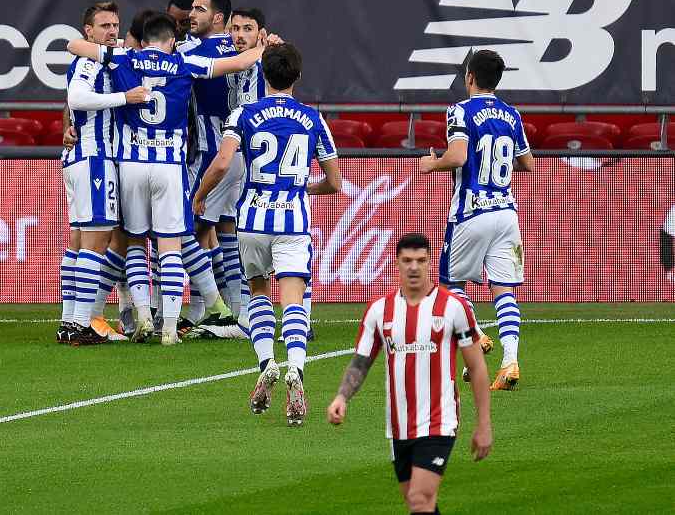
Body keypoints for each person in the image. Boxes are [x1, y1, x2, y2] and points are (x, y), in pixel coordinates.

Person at [67, 13, 279, 345]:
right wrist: (266, 47)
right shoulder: (184, 61)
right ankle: (169, 328)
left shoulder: (124, 56)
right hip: (169, 165)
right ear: (171, 40)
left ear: (143, 38)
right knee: (170, 245)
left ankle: (142, 315)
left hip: (131, 163)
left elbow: (74, 45)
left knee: (135, 241)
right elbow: (238, 63)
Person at [193, 43, 342, 426]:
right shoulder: (312, 118)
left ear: (263, 74)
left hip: (252, 219)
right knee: (293, 300)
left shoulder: (244, 112)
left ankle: (266, 362)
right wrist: (301, 188)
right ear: (297, 76)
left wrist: (201, 195)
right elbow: (335, 183)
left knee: (258, 291)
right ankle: (295, 367)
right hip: (292, 219)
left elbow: (224, 162)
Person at [327, 233, 492, 515]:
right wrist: (342, 396)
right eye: (407, 261)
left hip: (440, 422)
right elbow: (361, 361)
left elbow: (476, 367)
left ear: (430, 263)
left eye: (421, 260)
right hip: (399, 425)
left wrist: (484, 424)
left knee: (419, 498)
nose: (414, 267)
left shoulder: (453, 307)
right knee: (420, 504)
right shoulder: (380, 311)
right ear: (397, 264)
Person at [419, 49, 534, 390]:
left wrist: (432, 164)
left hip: (471, 212)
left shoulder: (460, 110)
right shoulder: (512, 115)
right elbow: (528, 164)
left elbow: (457, 156)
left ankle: (479, 334)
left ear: (469, 77)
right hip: (506, 213)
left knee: (450, 284)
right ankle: (510, 360)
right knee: (505, 291)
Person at [58, 1, 150, 345]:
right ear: (89, 32)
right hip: (95, 158)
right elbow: (78, 98)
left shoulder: (106, 60)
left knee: (79, 242)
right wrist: (124, 98)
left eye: (115, 25)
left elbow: (71, 105)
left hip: (81, 157)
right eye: (104, 26)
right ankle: (82, 324)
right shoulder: (89, 60)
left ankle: (69, 321)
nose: (112, 31)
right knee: (95, 243)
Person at [225, 7, 314, 342]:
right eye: (234, 28)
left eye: (247, 29)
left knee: (274, 248)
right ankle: (242, 312)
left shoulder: (268, 58)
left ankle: (291, 315)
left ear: (261, 32)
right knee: (223, 232)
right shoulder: (225, 54)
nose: (239, 35)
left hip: (254, 156)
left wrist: (269, 50)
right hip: (234, 152)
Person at [185, 0, 244, 321]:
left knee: (186, 228)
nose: (192, 14)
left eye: (200, 9)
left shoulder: (193, 51)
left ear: (218, 17)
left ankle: (202, 308)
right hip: (241, 153)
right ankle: (234, 306)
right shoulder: (247, 48)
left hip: (212, 152)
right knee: (223, 227)